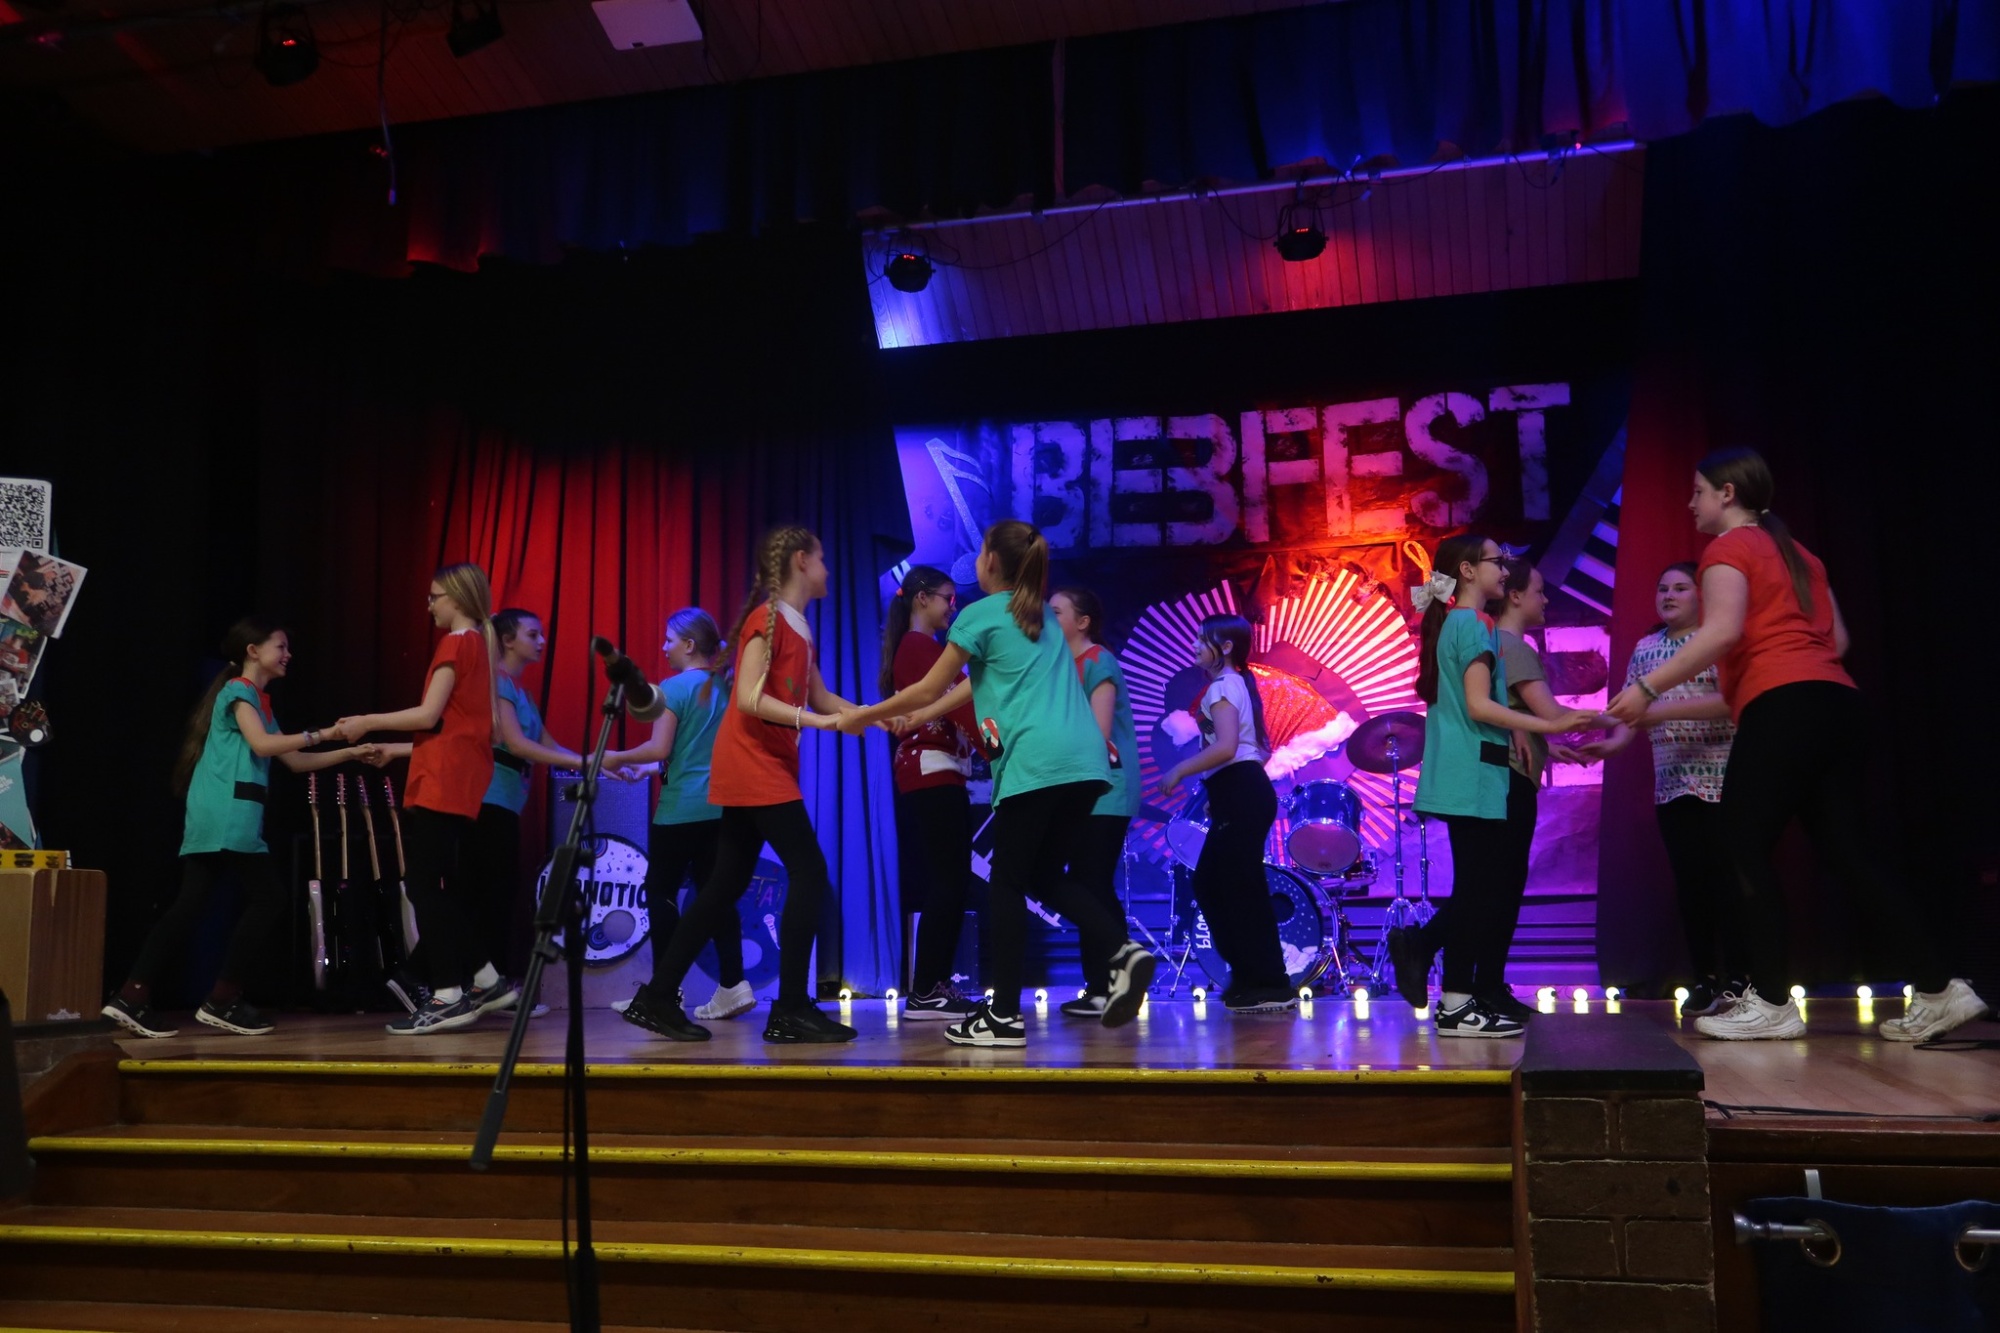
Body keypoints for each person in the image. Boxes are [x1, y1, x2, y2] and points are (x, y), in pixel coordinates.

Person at [1605, 448, 1987, 1041]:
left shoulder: (1728, 549)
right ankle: (1942, 989)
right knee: (1848, 852)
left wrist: (1647, 687)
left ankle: (1772, 1002)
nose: (1691, 503)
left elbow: (1722, 631)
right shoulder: (1801, 554)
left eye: (1699, 491)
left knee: (1739, 843)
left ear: (1728, 493)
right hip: (1838, 702)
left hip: (1785, 705)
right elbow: (1839, 639)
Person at [840, 520, 1156, 1047]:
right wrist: (919, 718)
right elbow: (967, 690)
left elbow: (931, 685)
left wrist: (863, 715)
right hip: (1084, 765)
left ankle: (1004, 1017)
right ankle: (1122, 949)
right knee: (1043, 877)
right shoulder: (1042, 619)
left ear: (988, 561)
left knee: (1007, 882)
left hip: (1037, 762)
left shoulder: (980, 615)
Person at [619, 527, 861, 1045]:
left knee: (723, 886)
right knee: (809, 871)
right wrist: (817, 722)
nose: (827, 569)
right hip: (754, 763)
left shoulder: (798, 626)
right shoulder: (765, 619)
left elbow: (821, 697)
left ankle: (657, 997)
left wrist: (876, 715)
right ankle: (790, 1008)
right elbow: (749, 698)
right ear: (801, 561)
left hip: (760, 764)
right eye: (822, 558)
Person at [102, 618, 379, 1038]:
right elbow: (264, 745)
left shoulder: (258, 700)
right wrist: (324, 733)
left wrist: (349, 753)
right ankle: (217, 998)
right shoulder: (238, 691)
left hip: (229, 812)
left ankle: (136, 994)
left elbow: (293, 761)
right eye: (280, 646)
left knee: (191, 905)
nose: (287, 655)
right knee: (266, 898)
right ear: (253, 651)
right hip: (226, 813)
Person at [1388, 537, 1595, 1038]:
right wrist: (1550, 724)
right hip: (1474, 774)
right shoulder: (1472, 624)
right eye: (1496, 562)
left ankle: (1456, 997)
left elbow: (1477, 707)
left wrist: (1530, 735)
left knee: (1479, 890)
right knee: (1480, 890)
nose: (1504, 570)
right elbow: (1479, 706)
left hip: (1472, 771)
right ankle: (1455, 1001)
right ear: (1467, 570)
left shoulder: (1459, 623)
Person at [335, 563, 516, 1035]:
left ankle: (449, 993)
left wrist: (366, 721)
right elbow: (456, 729)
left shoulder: (456, 643)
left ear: (457, 598)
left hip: (444, 778)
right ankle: (486, 980)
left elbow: (428, 715)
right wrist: (397, 750)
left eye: (435, 597)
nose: (429, 605)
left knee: (421, 885)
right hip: (458, 774)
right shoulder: (480, 646)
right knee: (435, 884)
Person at [1583, 563, 1743, 1014]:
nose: (1669, 595)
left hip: (1724, 777)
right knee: (1691, 884)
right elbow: (1632, 713)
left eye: (1680, 588)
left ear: (1702, 595)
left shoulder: (1717, 640)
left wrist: (1657, 713)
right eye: (1662, 588)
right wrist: (1612, 745)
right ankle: (1705, 978)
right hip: (1672, 784)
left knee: (1731, 880)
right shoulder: (1646, 647)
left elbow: (1732, 701)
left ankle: (1741, 978)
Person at [602, 608, 753, 1022]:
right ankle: (733, 984)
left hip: (680, 808)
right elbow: (695, 751)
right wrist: (651, 769)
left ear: (689, 645)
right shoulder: (725, 687)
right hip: (720, 806)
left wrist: (615, 756)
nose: (663, 646)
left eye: (669, 640)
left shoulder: (672, 687)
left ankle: (664, 991)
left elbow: (660, 747)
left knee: (660, 892)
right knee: (715, 893)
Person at [1157, 614, 1295, 1014]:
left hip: (1242, 790)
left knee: (1231, 886)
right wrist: (1220, 790)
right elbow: (1256, 750)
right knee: (1221, 884)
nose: (1195, 645)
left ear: (1227, 646)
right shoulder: (1236, 684)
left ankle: (1267, 981)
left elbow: (1227, 746)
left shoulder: (1222, 686)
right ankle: (1252, 978)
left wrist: (1180, 769)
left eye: (1203, 639)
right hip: (1239, 791)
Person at [880, 567, 981, 1021]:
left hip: (939, 770)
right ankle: (926, 990)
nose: (951, 608)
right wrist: (997, 747)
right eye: (947, 598)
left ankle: (931, 987)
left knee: (951, 879)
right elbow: (961, 704)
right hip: (931, 769)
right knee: (949, 879)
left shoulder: (920, 647)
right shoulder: (920, 647)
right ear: (922, 598)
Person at [465, 608, 583, 984]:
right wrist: (584, 762)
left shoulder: (522, 693)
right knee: (490, 893)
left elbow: (550, 746)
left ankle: (492, 983)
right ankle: (484, 982)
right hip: (487, 799)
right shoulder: (497, 683)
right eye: (533, 635)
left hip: (506, 802)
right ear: (507, 640)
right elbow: (517, 744)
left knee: (500, 893)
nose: (542, 641)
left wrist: (600, 763)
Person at [1049, 586, 1141, 1017]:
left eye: (1057, 611)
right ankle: (1102, 986)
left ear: (1082, 622)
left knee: (1091, 882)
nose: (1048, 618)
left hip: (1105, 787)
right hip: (1080, 788)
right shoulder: (1062, 665)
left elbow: (1098, 732)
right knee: (1087, 884)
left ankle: (1111, 983)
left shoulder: (1097, 660)